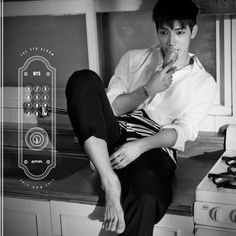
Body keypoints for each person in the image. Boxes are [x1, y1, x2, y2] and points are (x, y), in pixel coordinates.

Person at [65, 0, 217, 235]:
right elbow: (110, 107)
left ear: (192, 32)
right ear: (157, 31)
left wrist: (139, 146)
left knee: (146, 196)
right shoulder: (133, 59)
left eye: (179, 32)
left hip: (153, 146)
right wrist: (148, 89)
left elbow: (184, 131)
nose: (171, 41)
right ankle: (109, 180)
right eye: (164, 32)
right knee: (82, 79)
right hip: (114, 133)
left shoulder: (204, 83)